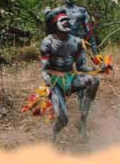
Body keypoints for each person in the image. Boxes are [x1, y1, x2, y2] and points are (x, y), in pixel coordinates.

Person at [41, 9, 103, 141]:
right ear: (55, 24)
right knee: (64, 119)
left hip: (70, 77)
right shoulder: (48, 41)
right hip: (55, 80)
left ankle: (82, 120)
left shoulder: (77, 42)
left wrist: (97, 69)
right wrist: (48, 82)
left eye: (68, 19)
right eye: (63, 20)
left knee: (94, 81)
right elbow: (44, 69)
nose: (67, 22)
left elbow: (81, 67)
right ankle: (54, 135)